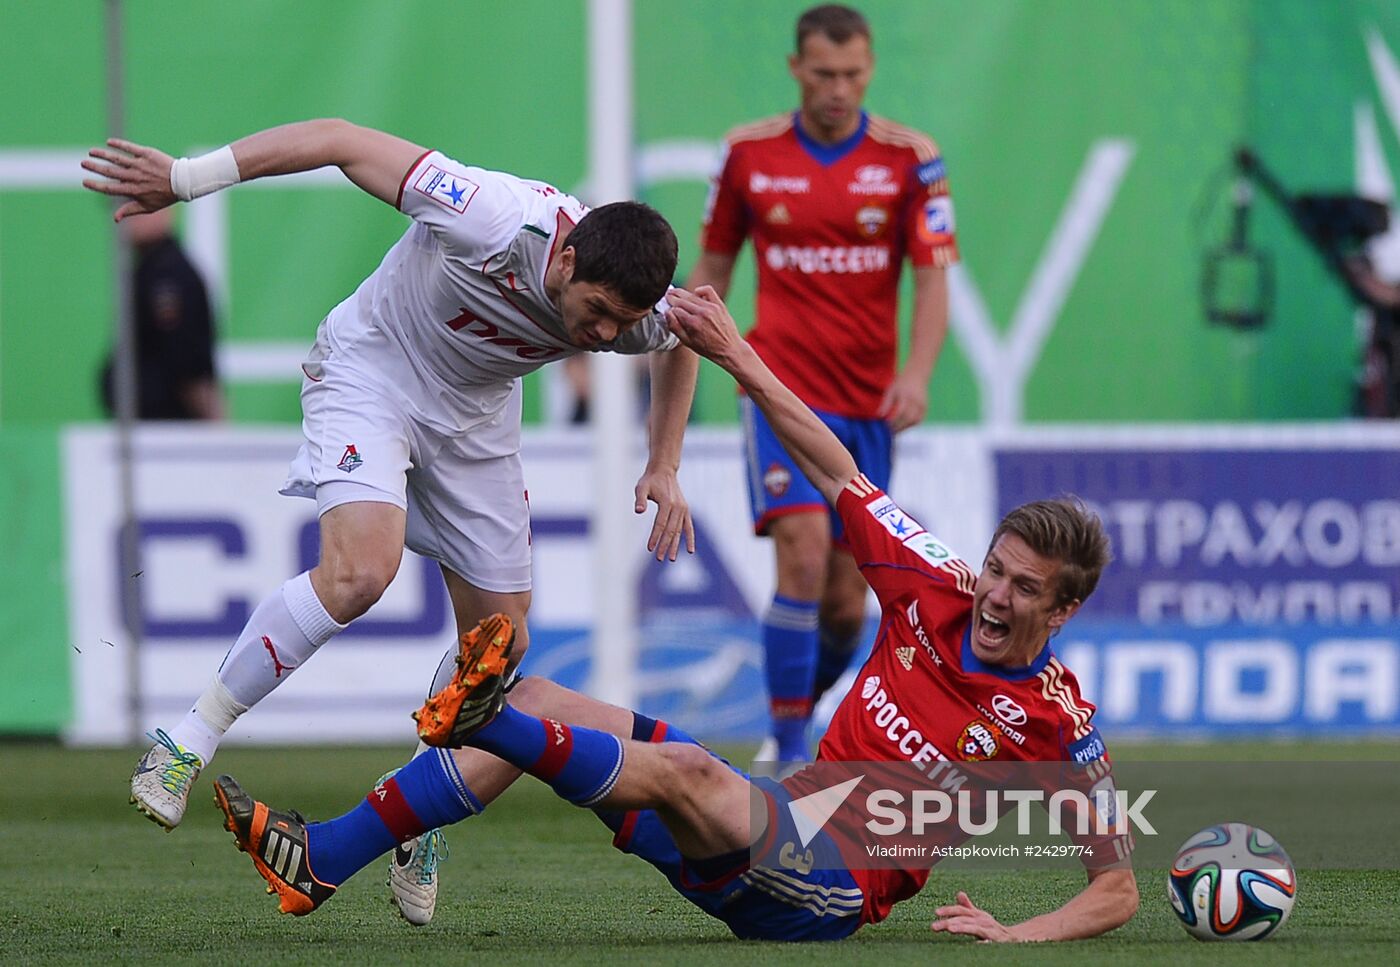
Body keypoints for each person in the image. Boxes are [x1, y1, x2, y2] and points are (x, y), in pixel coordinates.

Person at [212, 286, 1138, 943]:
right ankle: (324, 858)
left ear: (1064, 609)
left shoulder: (1056, 717)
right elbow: (834, 467)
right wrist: (737, 356)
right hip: (773, 822)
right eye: (996, 570)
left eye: (1023, 589)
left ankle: (483, 716)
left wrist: (1022, 933)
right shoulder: (936, 580)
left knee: (674, 760)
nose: (994, 595)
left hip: (827, 889)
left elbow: (1117, 886)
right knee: (542, 693)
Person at [81, 119, 699, 924]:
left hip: (474, 424)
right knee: (360, 572)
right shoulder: (488, 212)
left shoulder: (630, 308)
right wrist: (189, 179)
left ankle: (415, 809)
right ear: (567, 256)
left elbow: (686, 333)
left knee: (499, 654)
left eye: (624, 322)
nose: (608, 335)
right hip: (373, 373)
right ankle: (186, 741)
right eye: (599, 313)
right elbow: (340, 139)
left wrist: (664, 461)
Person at [686, 4, 957, 761]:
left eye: (853, 73)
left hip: (868, 404)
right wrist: (685, 338)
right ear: (796, 68)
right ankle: (791, 747)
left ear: (869, 69)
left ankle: (797, 718)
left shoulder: (911, 159)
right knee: (801, 554)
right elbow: (714, 268)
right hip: (778, 389)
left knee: (845, 602)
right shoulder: (747, 155)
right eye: (825, 72)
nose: (839, 88)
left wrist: (918, 373)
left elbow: (934, 280)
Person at [100, 206, 226, 420]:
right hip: (155, 427)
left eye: (136, 204)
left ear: (165, 210)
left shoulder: (168, 275)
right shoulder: (150, 269)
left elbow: (189, 367)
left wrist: (214, 426)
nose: (122, 216)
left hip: (171, 430)